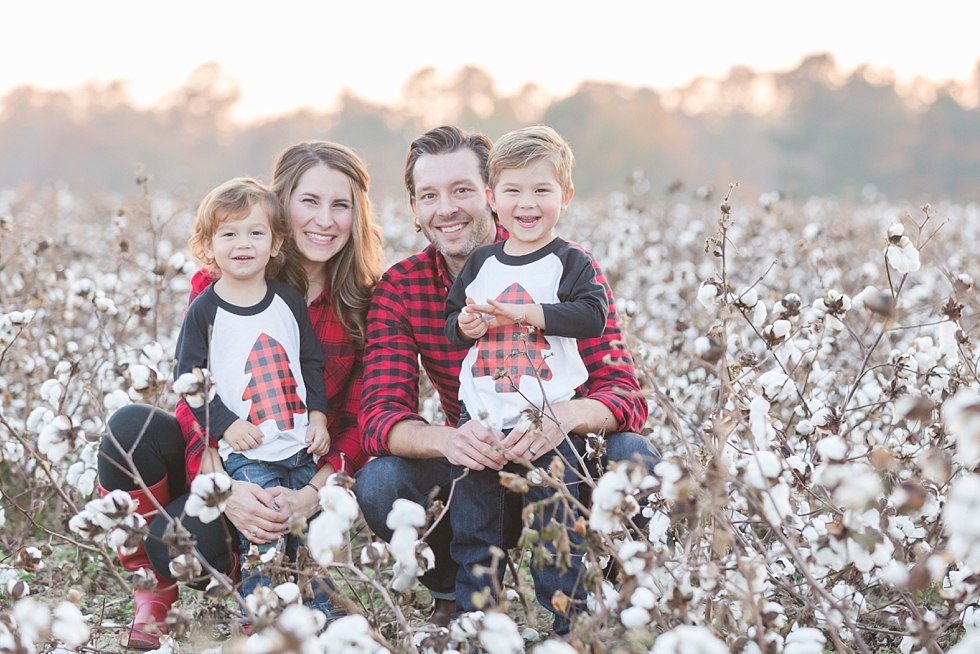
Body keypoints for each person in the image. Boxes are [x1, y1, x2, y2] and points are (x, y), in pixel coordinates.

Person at [354, 125, 658, 629]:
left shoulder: (567, 266)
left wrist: (563, 416)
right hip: (478, 458)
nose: (446, 208)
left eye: (462, 191)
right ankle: (456, 596)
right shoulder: (403, 286)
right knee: (380, 481)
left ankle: (603, 604)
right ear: (414, 209)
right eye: (429, 195)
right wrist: (450, 441)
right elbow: (380, 418)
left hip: (563, 456)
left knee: (636, 458)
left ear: (489, 197)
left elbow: (624, 394)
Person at [97, 141, 382, 648]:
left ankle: (282, 600)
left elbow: (361, 422)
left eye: (341, 205)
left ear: (356, 215)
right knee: (130, 428)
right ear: (281, 206)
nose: (325, 219)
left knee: (246, 539)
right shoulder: (221, 285)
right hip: (231, 463)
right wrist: (224, 489)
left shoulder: (364, 304)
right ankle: (153, 588)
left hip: (303, 472)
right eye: (309, 201)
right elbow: (193, 391)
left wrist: (310, 495)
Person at [442, 125, 605, 632]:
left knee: (557, 523)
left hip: (548, 416)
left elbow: (591, 316)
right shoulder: (482, 261)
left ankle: (568, 626)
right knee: (474, 523)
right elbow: (454, 324)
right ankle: (478, 623)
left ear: (566, 196)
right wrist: (466, 325)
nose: (526, 203)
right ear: (492, 199)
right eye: (512, 191)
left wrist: (528, 312)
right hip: (483, 413)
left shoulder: (571, 262)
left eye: (542, 190)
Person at [173, 177, 333, 616]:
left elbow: (310, 363)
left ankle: (324, 611)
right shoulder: (205, 308)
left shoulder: (288, 301)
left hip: (299, 447)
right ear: (207, 245)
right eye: (229, 234)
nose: (242, 244)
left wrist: (317, 418)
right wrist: (225, 424)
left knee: (310, 535)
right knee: (264, 533)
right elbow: (189, 378)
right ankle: (261, 613)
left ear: (276, 242)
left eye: (255, 233)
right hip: (249, 453)